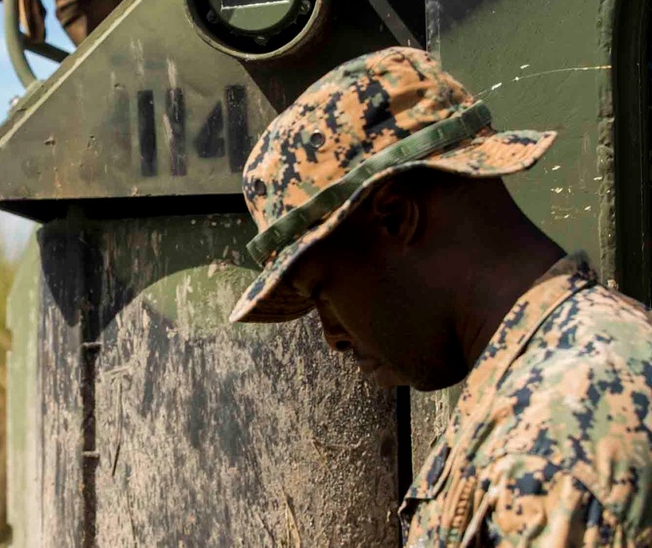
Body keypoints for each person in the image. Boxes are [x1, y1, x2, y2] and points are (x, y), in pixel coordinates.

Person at [229, 46, 652, 546]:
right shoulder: (598, 351)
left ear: (395, 217)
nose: (332, 338)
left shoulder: (545, 455)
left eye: (322, 292)